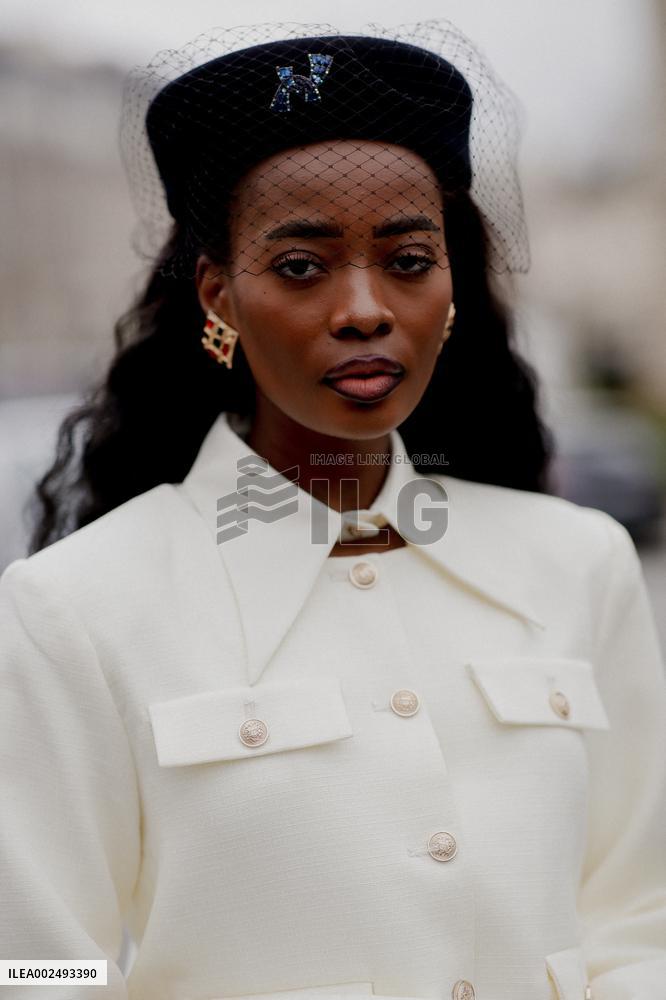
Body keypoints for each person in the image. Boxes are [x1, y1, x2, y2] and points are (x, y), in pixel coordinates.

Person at [1, 21, 665, 1000]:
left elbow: (640, 917)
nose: (363, 307)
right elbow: (35, 967)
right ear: (218, 298)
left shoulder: (581, 564)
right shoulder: (73, 612)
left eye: (406, 258)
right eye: (303, 266)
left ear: (451, 294)